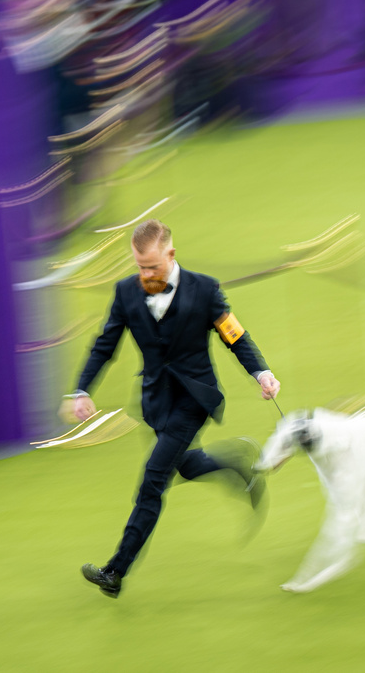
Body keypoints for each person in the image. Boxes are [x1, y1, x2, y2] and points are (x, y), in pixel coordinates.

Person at [69, 219, 280, 598]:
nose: (145, 273)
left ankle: (115, 571)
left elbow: (236, 336)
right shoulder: (126, 293)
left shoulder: (205, 289)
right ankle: (235, 460)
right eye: (139, 266)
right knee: (181, 464)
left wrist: (261, 373)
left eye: (152, 266)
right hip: (155, 403)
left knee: (153, 480)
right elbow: (105, 345)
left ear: (171, 254)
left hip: (194, 400)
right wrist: (82, 389)